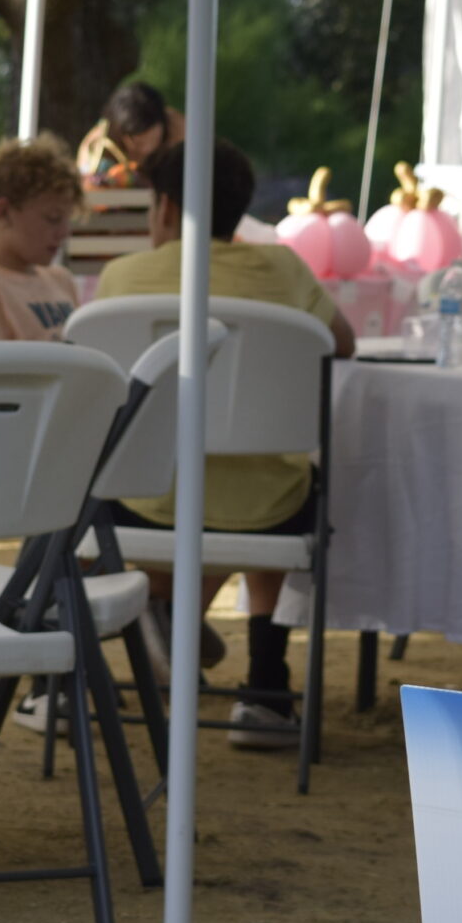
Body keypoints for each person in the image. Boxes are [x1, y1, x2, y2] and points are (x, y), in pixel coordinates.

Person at [95, 138, 355, 750]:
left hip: (144, 502)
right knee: (281, 478)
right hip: (266, 512)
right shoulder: (286, 269)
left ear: (163, 206)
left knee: (159, 473)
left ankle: (150, 619)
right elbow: (341, 342)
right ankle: (266, 688)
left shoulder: (122, 277)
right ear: (240, 209)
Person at [0, 136, 81, 343]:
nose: (64, 232)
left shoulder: (61, 280)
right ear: (4, 212)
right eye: (53, 219)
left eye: (67, 220)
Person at [76, 81, 185, 180]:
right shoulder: (97, 146)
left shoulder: (178, 129)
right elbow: (86, 181)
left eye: (151, 137)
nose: (145, 149)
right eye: (138, 143)